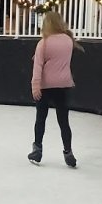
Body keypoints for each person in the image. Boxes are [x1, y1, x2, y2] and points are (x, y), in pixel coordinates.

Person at [28, 10, 84, 168]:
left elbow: (38, 66)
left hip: (45, 86)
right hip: (63, 85)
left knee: (41, 119)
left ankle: (37, 150)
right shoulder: (68, 40)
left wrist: (35, 86)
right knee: (63, 121)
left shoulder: (44, 43)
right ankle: (68, 151)